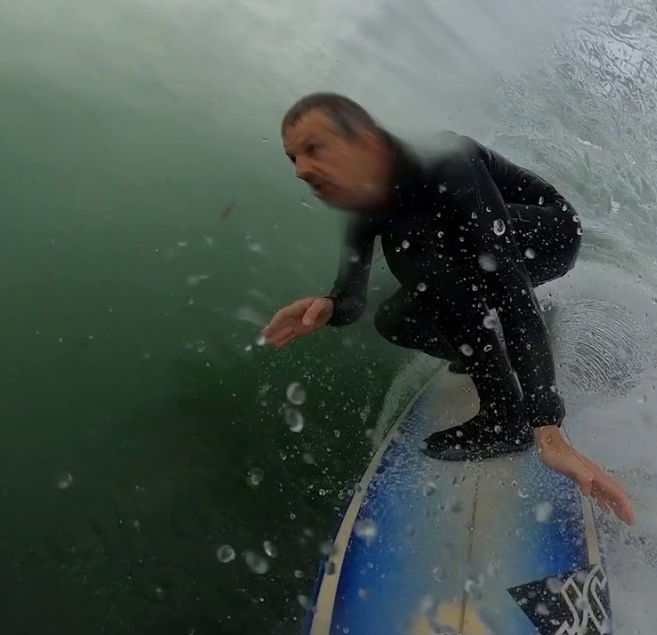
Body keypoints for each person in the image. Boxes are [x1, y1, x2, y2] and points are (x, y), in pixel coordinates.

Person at [260, 92, 634, 525]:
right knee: (394, 320)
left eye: (314, 149)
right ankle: (488, 354)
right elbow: (351, 298)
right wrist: (328, 306)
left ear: (365, 142)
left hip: (548, 232)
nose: (301, 170)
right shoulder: (363, 201)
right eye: (293, 158)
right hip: (469, 252)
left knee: (428, 250)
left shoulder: (446, 162)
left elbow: (510, 287)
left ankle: (507, 417)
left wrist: (548, 429)